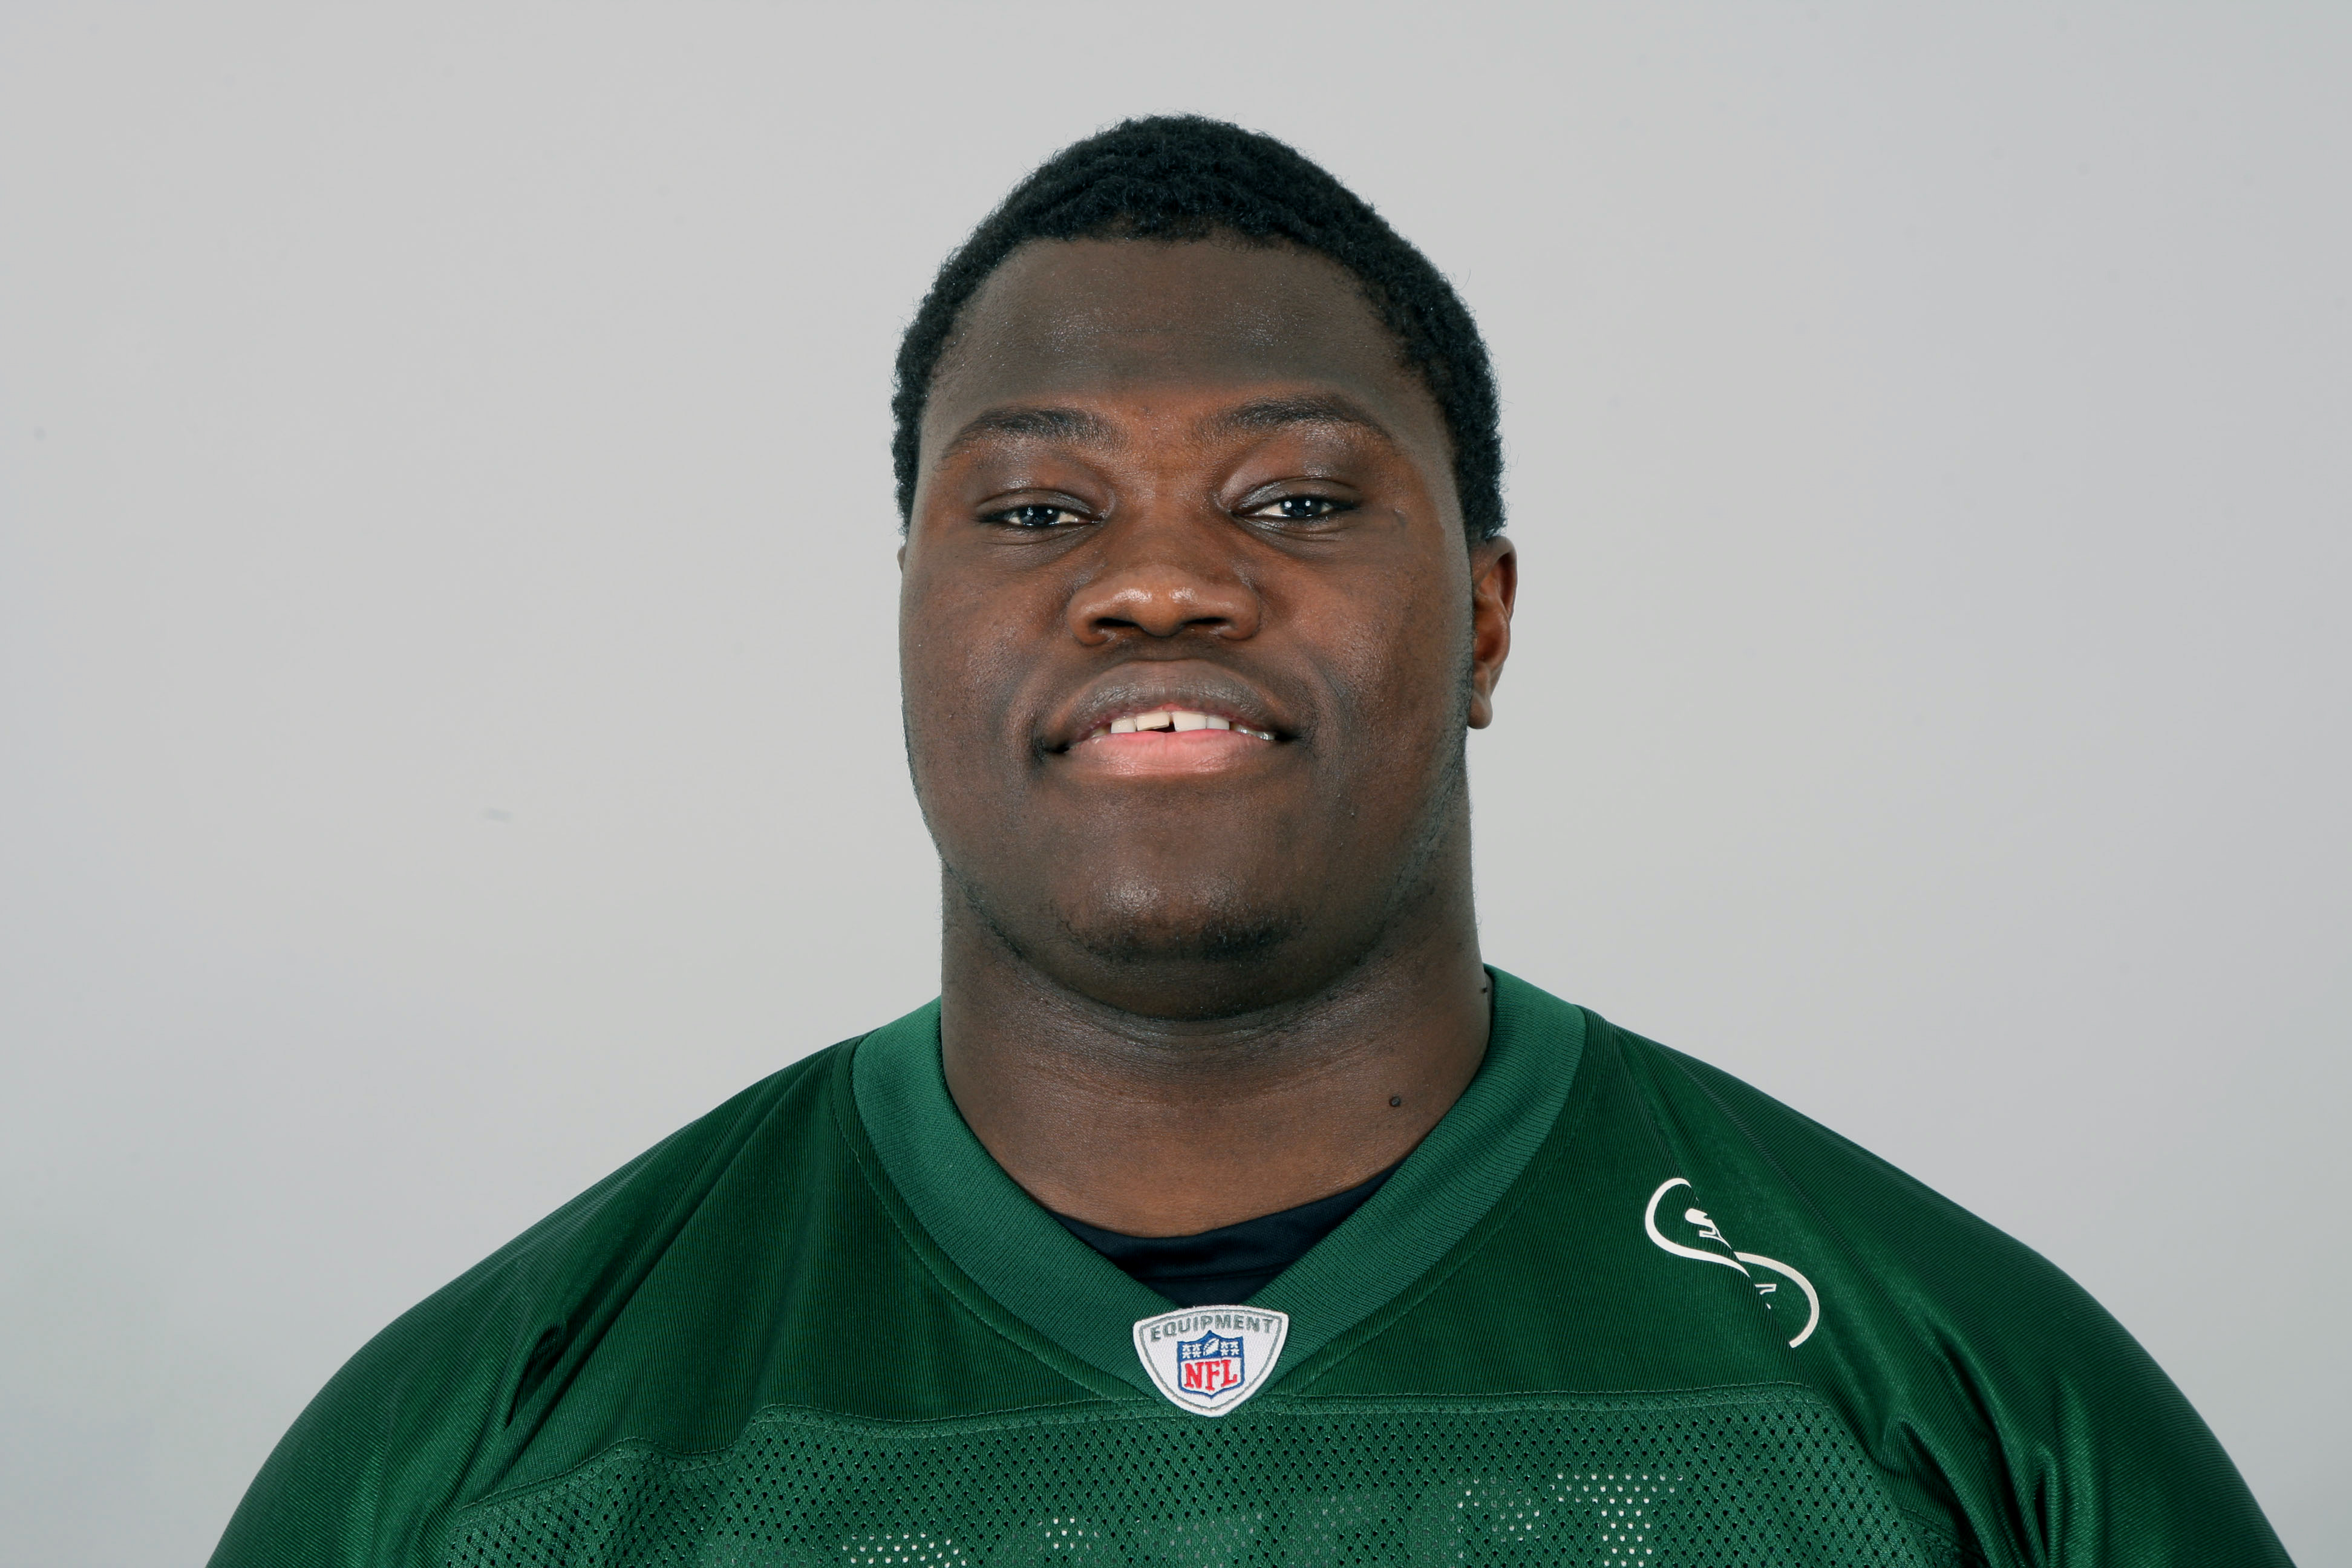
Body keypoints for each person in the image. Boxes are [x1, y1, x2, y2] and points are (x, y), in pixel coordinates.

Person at [210, 116, 2288, 1568]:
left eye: (1294, 501)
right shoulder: (486, 1456)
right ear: (910, 615)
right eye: (1037, 511)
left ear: (1484, 619)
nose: (1159, 586)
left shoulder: (1952, 1402)